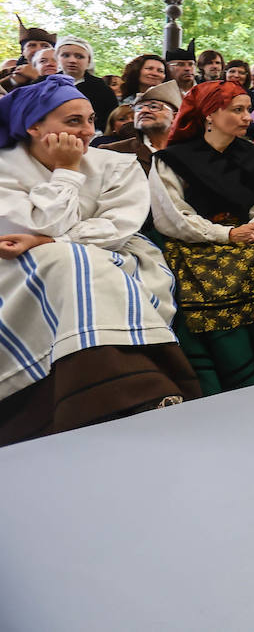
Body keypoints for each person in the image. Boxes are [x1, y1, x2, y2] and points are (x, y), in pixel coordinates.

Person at [0, 75, 196, 445]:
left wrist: (50, 239)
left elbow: (117, 227)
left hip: (112, 254)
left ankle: (135, 390)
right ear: (34, 124)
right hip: (17, 271)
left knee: (73, 260)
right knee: (66, 260)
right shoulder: (5, 166)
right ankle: (88, 400)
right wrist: (67, 171)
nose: (88, 131)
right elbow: (21, 233)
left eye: (91, 119)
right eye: (73, 121)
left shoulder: (115, 164)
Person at [149, 81, 254, 394]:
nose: (247, 117)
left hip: (252, 237)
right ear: (209, 114)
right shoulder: (171, 160)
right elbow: (172, 216)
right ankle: (235, 376)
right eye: (237, 110)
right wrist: (227, 234)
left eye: (247, 110)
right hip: (197, 243)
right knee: (206, 275)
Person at [100, 80, 181, 173]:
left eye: (154, 107)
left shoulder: (188, 152)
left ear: (175, 117)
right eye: (139, 108)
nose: (144, 110)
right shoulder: (113, 151)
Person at [53, 36, 117, 132]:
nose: (72, 60)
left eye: (79, 56)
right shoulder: (45, 83)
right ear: (57, 58)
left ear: (88, 61)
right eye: (66, 55)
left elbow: (110, 119)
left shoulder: (101, 88)